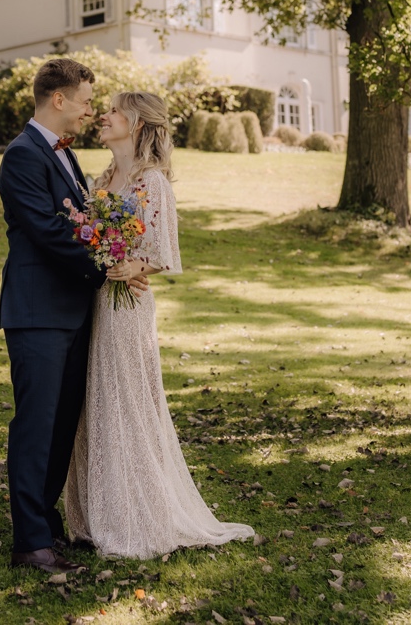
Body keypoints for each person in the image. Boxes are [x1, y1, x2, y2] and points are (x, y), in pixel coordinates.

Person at [65, 90, 255, 559]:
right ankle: (94, 513)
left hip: (126, 308)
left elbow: (163, 252)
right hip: (92, 302)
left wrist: (134, 268)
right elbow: (89, 237)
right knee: (94, 402)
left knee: (124, 401)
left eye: (111, 111)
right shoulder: (102, 178)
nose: (102, 117)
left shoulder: (153, 183)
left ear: (138, 122)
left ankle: (136, 516)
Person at [0, 58, 150, 572]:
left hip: (72, 312)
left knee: (61, 428)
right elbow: (48, 230)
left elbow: (84, 221)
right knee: (36, 427)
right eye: (86, 101)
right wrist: (111, 267)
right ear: (58, 100)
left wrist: (120, 261)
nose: (90, 110)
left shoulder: (64, 155)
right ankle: (29, 545)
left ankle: (46, 527)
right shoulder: (22, 156)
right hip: (38, 313)